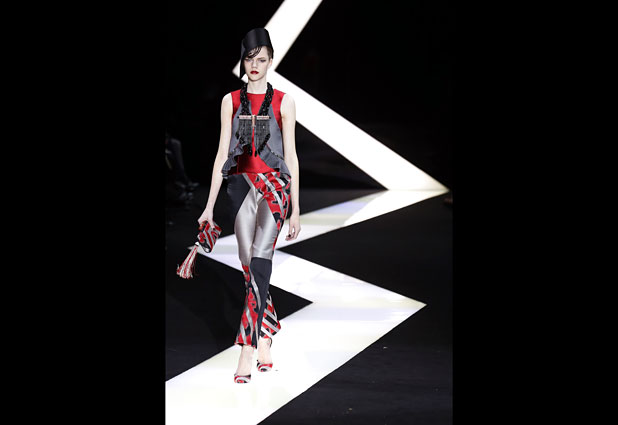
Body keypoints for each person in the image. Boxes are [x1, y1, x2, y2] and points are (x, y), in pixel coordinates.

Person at [197, 28, 301, 384]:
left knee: (260, 259)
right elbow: (221, 153)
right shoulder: (230, 101)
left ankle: (248, 344)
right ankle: (268, 331)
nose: (254, 65)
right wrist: (209, 206)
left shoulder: (285, 101)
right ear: (242, 61)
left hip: (274, 187)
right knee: (247, 264)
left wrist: (296, 207)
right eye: (249, 59)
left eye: (261, 59)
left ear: (271, 61)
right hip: (240, 187)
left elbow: (291, 155)